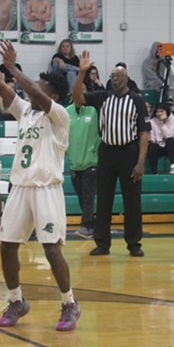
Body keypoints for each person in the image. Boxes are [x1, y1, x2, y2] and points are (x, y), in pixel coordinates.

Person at [0, 40, 81, 331]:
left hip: (46, 188)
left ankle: (69, 303)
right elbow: (0, 84)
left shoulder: (61, 115)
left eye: (38, 87)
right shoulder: (26, 111)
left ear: (52, 95)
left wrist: (13, 67)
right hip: (21, 188)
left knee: (52, 250)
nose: (30, 89)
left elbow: (33, 90)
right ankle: (16, 300)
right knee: (7, 247)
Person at [74, 51, 150, 257]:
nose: (114, 79)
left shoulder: (137, 100)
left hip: (130, 152)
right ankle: (102, 243)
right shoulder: (102, 97)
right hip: (107, 152)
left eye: (118, 76)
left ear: (126, 79)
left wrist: (140, 161)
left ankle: (134, 244)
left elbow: (145, 133)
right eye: (112, 76)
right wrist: (82, 73)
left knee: (132, 201)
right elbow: (77, 98)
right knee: (104, 199)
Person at [65, 92, 100, 239]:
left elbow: (102, 131)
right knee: (81, 195)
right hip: (74, 161)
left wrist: (96, 147)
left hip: (91, 161)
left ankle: (87, 225)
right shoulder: (67, 112)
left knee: (88, 195)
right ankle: (91, 221)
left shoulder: (94, 110)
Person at [148, 104, 174, 175]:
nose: (159, 113)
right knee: (152, 147)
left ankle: (173, 167)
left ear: (167, 111)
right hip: (160, 145)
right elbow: (152, 135)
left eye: (162, 111)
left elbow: (169, 135)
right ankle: (155, 172)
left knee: (169, 140)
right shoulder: (152, 121)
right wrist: (152, 141)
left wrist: (162, 124)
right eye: (157, 112)